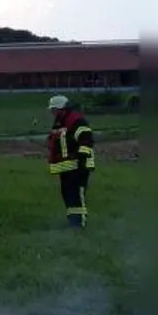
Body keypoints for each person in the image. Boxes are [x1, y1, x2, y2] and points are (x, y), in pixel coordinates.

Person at [46, 94, 95, 229]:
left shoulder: (77, 121)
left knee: (77, 194)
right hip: (66, 166)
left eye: (54, 110)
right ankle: (72, 220)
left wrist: (80, 159)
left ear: (62, 109)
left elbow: (86, 140)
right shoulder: (59, 122)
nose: (52, 113)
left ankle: (79, 223)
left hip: (79, 165)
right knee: (67, 193)